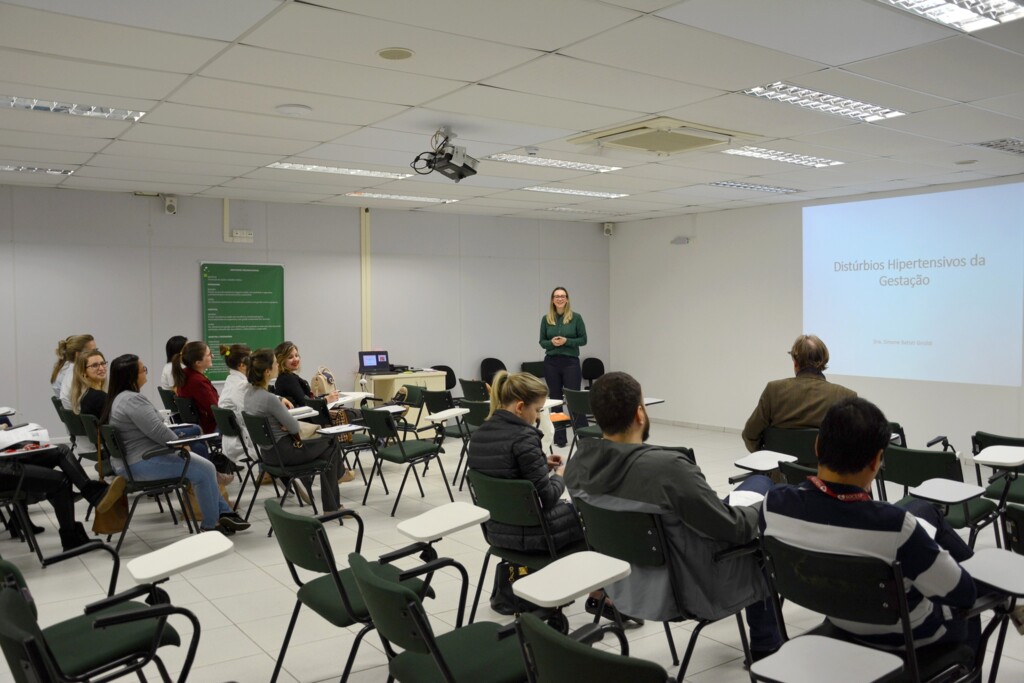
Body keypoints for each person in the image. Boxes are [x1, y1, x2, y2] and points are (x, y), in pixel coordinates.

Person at [564, 371, 781, 659]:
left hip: (623, 585)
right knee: (764, 513)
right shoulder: (667, 469)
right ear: (640, 414)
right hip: (689, 587)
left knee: (755, 484)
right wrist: (766, 508)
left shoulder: (578, 464)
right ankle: (766, 648)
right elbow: (734, 528)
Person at [760, 397, 980, 651]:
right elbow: (963, 594)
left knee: (924, 509)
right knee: (970, 609)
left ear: (818, 446)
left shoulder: (773, 505)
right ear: (877, 460)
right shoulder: (895, 526)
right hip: (909, 640)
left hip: (837, 620)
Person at [101, 354, 249, 535]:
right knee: (204, 470)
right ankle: (211, 526)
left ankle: (225, 513)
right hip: (142, 462)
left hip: (139, 458)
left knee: (205, 466)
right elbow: (158, 431)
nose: (145, 372)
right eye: (143, 369)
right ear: (132, 376)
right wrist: (180, 444)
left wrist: (178, 442)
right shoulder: (132, 400)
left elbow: (153, 430)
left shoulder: (121, 398)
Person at [466, 371, 583, 553]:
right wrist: (560, 476)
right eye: (537, 410)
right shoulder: (524, 438)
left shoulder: (478, 435)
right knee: (588, 516)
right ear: (520, 407)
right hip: (537, 535)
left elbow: (507, 475)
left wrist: (541, 463)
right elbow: (548, 497)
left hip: (496, 532)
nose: (537, 418)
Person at [243, 348, 343, 512]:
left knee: (327, 451)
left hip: (267, 454)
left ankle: (329, 491)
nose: (278, 365)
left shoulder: (249, 394)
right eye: (275, 363)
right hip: (285, 453)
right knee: (331, 441)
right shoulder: (269, 399)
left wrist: (280, 406)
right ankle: (332, 504)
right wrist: (285, 420)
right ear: (268, 372)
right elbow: (294, 427)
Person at [741, 334, 856, 452]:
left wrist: (766, 457)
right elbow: (853, 443)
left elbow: (750, 434)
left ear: (795, 363)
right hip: (825, 470)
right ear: (823, 362)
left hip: (779, 469)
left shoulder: (773, 390)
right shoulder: (846, 396)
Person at [539, 287, 587, 447]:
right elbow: (542, 342)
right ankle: (560, 439)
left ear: (567, 299)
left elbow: (583, 339)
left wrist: (567, 341)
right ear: (552, 300)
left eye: (563, 296)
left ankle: (584, 437)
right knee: (555, 400)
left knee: (574, 398)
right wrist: (551, 343)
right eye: (556, 296)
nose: (560, 299)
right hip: (551, 362)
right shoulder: (546, 319)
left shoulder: (576, 318)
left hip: (570, 362)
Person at [172, 341, 220, 435]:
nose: (212, 356)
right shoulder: (198, 381)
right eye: (209, 354)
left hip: (200, 424)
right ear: (198, 363)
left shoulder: (186, 374)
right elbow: (215, 410)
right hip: (209, 428)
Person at [272, 341, 340, 407]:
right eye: (290, 357)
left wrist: (324, 398)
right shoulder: (287, 379)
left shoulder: (287, 377)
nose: (295, 359)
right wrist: (327, 400)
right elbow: (305, 404)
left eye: (296, 355)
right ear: (281, 361)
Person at [50, 334, 95, 408]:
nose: (96, 354)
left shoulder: (65, 367)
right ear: (78, 354)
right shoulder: (73, 375)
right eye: (92, 351)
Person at [70, 349, 108, 419]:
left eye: (103, 363)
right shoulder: (100, 397)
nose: (102, 368)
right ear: (83, 372)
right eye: (95, 365)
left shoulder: (85, 395)